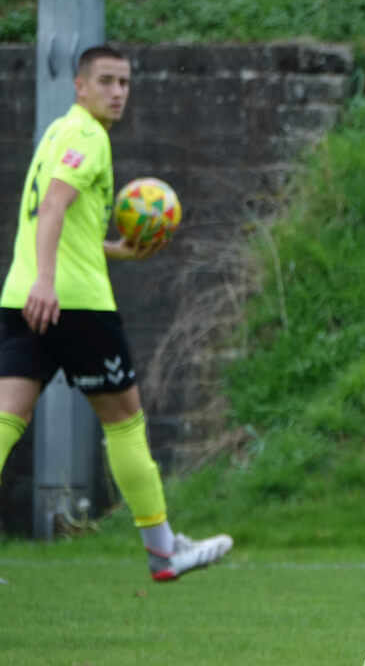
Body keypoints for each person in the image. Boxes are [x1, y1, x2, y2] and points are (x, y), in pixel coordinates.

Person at [0, 45, 232, 580]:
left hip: (24, 296)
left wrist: (112, 249)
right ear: (80, 85)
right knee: (125, 420)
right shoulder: (88, 136)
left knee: (7, 419)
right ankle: (163, 549)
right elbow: (54, 206)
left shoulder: (57, 132)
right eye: (106, 81)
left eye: (124, 83)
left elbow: (54, 217)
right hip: (71, 301)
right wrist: (48, 280)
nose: (118, 92)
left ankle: (165, 547)